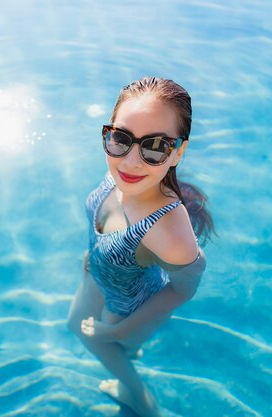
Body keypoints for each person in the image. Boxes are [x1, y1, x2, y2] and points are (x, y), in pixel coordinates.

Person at [67, 76, 216, 417]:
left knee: (98, 341)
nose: (131, 162)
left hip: (128, 307)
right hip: (101, 279)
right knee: (78, 326)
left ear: (177, 152)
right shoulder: (118, 172)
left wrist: (119, 329)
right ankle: (130, 356)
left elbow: (180, 292)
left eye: (155, 147)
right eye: (121, 139)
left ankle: (141, 400)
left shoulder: (168, 231)